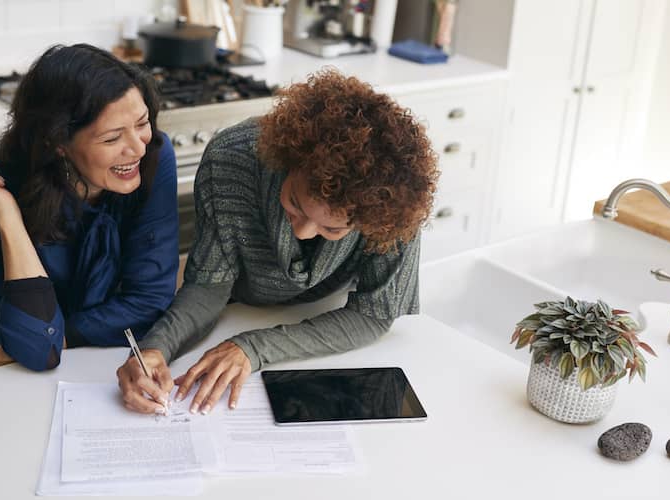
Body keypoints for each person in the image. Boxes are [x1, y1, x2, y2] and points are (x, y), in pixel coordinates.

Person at [116, 69, 439, 415]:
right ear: (288, 159)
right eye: (295, 205)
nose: (303, 233)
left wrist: (254, 347)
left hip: (320, 315)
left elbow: (374, 315)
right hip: (239, 308)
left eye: (332, 230)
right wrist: (156, 347)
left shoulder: (388, 204)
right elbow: (209, 286)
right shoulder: (231, 160)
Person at [0, 44, 180, 376]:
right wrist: (7, 215)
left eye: (142, 123)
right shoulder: (1, 186)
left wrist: (57, 337)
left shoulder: (154, 153)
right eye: (112, 139)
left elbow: (150, 300)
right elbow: (34, 346)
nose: (138, 147)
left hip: (79, 329)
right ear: (58, 143)